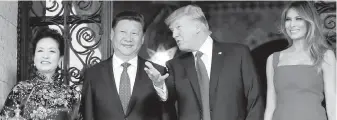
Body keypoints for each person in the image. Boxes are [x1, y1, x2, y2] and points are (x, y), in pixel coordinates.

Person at [145, 4, 264, 120]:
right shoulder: (174, 65)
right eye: (172, 30)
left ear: (197, 27)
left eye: (178, 27)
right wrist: (159, 85)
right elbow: (167, 102)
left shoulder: (238, 54)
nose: (174, 35)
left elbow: (255, 100)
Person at [81, 11, 175, 120]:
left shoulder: (158, 72)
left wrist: (160, 86)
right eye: (123, 32)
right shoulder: (93, 74)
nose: (128, 39)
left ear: (143, 38)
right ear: (112, 35)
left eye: (134, 33)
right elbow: (88, 115)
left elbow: (168, 113)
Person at [264, 1, 336, 120]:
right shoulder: (273, 59)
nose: (292, 24)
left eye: (298, 18)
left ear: (309, 22)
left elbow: (333, 104)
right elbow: (270, 106)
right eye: (288, 19)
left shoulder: (325, 56)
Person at [0, 28, 81, 119]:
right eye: (40, 50)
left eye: (52, 51)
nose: (45, 56)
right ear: (34, 57)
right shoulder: (21, 89)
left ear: (60, 59)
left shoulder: (72, 95)